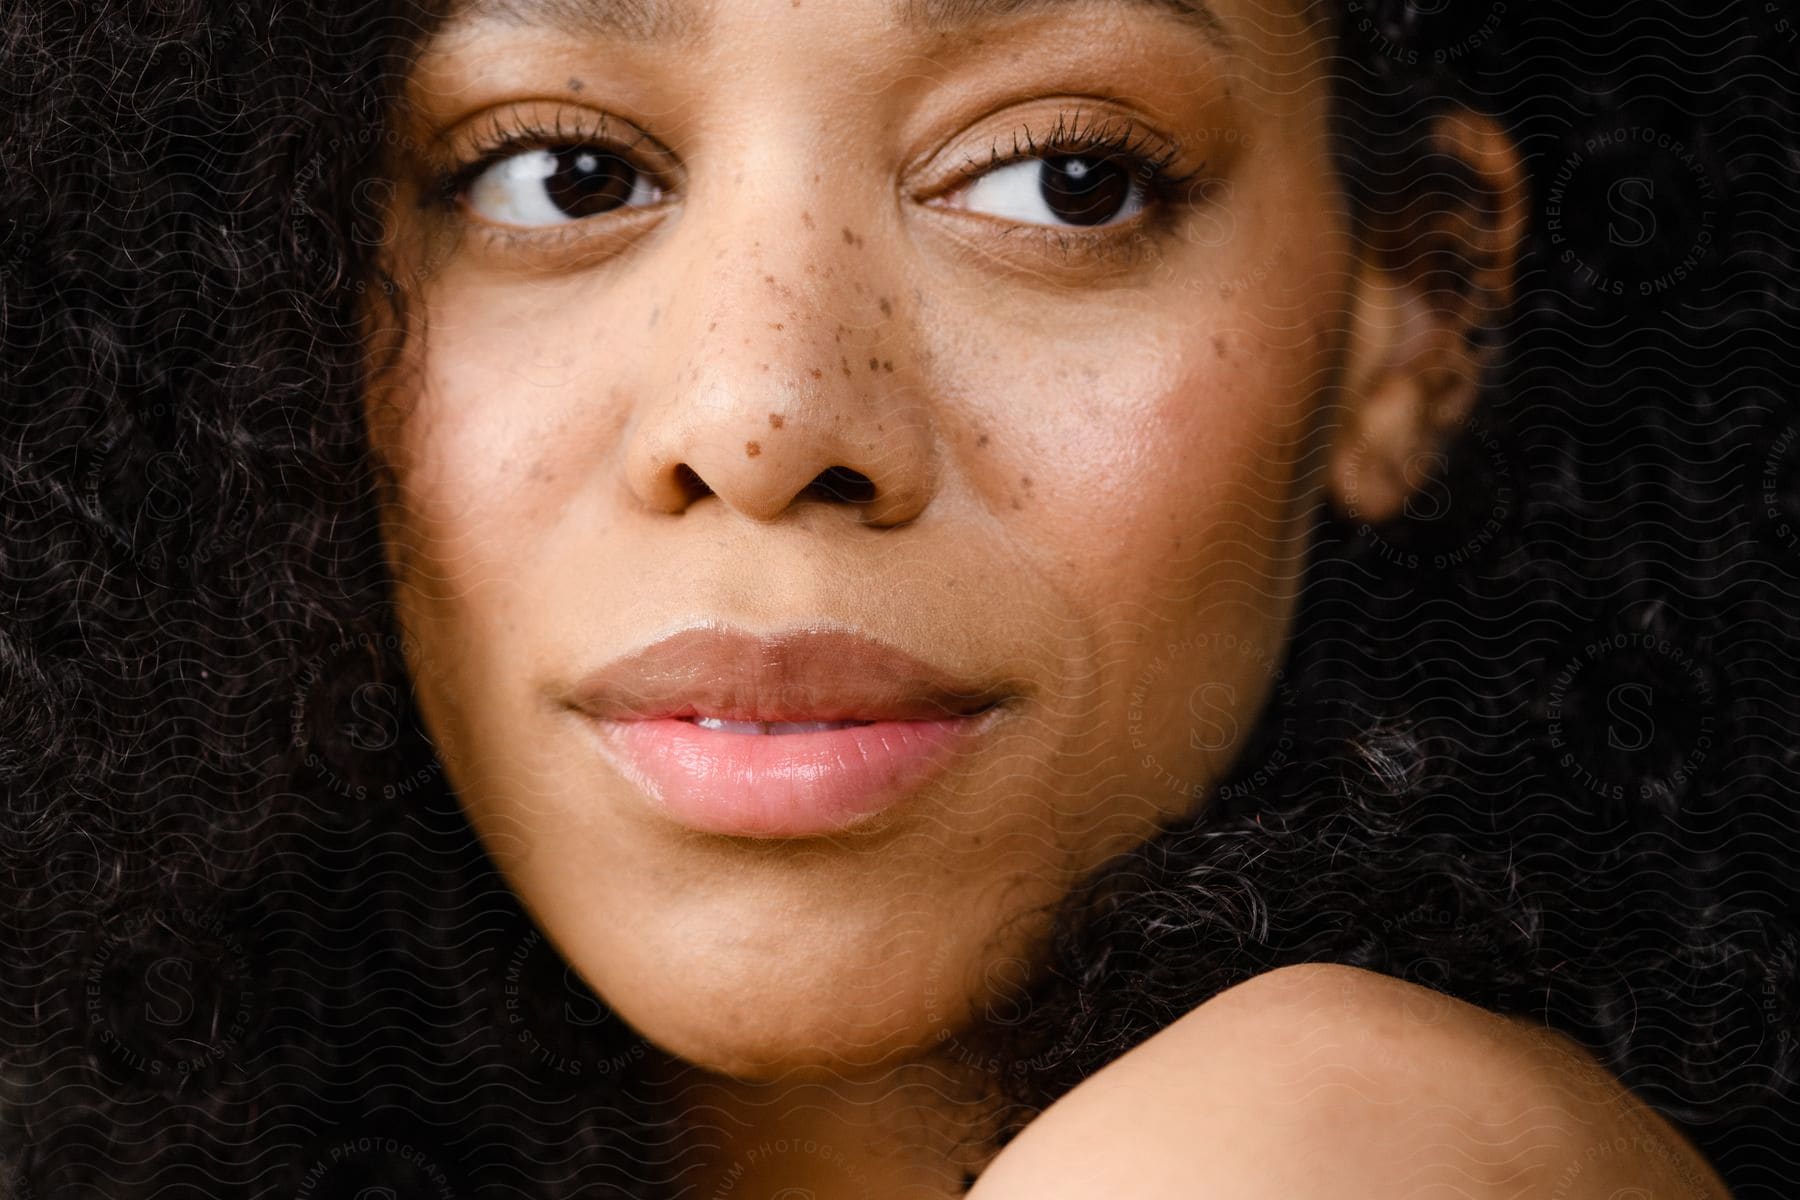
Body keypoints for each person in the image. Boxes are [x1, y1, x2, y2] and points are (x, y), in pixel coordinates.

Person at [0, 0, 1792, 1196]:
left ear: (1411, 317)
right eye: (563, 174)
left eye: (1064, 180)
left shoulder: (1337, 1153)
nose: (763, 420)